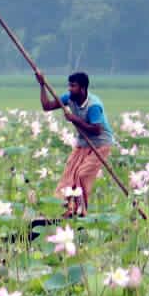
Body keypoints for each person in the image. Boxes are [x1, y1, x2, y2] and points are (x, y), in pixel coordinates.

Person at [36, 71, 115, 217]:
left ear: (83, 88)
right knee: (69, 174)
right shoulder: (69, 98)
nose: (69, 89)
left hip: (100, 144)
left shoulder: (93, 106)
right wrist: (42, 85)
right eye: (69, 85)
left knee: (82, 174)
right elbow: (47, 106)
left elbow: (96, 130)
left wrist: (75, 119)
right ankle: (66, 207)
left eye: (73, 86)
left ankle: (80, 211)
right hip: (82, 143)